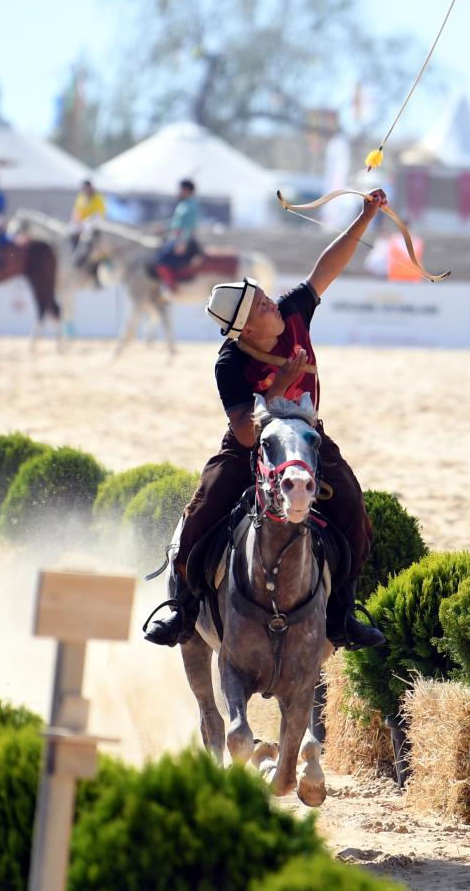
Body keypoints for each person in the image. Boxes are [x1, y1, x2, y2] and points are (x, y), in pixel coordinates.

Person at [144, 188, 389, 652]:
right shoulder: (230, 362)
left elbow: (327, 269)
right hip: (252, 447)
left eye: (263, 297)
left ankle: (342, 615)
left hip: (307, 438)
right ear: (247, 331)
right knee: (202, 510)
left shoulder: (293, 310)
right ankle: (183, 609)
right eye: (260, 306)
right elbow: (244, 432)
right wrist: (278, 389)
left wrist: (365, 217)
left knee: (353, 508)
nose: (270, 303)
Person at [151, 179, 201, 290]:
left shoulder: (191, 206)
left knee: (161, 260)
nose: (178, 192)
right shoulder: (183, 205)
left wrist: (182, 242)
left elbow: (188, 226)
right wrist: (162, 227)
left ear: (187, 190)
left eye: (181, 190)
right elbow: (176, 222)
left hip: (184, 240)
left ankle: (171, 286)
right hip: (176, 237)